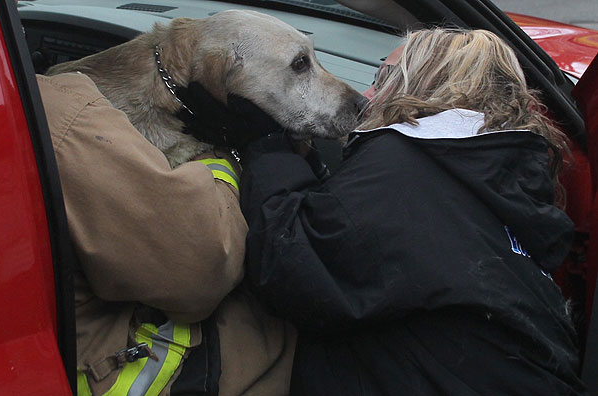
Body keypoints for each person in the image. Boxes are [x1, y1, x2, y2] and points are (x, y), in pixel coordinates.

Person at [239, 28, 589, 395]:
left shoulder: (402, 164)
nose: (368, 96)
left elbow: (289, 265)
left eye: (382, 78)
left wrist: (268, 145)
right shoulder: (497, 179)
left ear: (422, 83)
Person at [37, 72, 296, 395]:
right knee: (276, 321)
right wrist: (223, 162)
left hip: (34, 350)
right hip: (86, 369)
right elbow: (202, 268)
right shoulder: (58, 112)